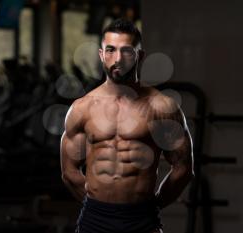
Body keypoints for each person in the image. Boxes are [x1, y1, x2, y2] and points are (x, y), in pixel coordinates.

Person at [60, 18, 194, 233]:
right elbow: (69, 171)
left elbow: (183, 168)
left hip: (142, 219)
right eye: (111, 50)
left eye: (127, 51)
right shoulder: (82, 108)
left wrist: (155, 204)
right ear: (101, 55)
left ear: (139, 56)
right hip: (95, 219)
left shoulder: (162, 107)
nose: (118, 59)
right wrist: (95, 204)